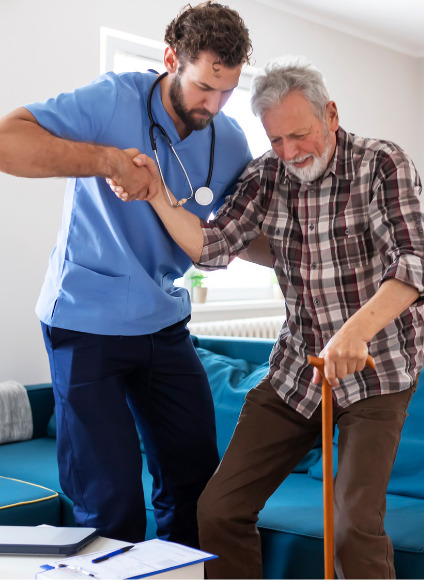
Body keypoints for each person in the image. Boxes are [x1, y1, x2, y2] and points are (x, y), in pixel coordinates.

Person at [112, 57, 424, 577]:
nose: (289, 152)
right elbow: (213, 247)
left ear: (330, 115)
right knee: (218, 510)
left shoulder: (382, 163)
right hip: (297, 371)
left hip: (378, 370)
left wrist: (355, 332)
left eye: (299, 134)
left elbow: (418, 262)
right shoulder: (267, 174)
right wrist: (157, 195)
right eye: (277, 139)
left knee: (354, 524)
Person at [0, 2, 254, 547]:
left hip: (163, 322)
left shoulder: (230, 140)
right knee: (109, 500)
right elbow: (7, 142)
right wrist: (108, 162)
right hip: (84, 319)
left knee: (195, 485)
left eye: (227, 90)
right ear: (170, 59)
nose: (213, 104)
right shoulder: (114, 98)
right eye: (204, 87)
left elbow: (239, 235)